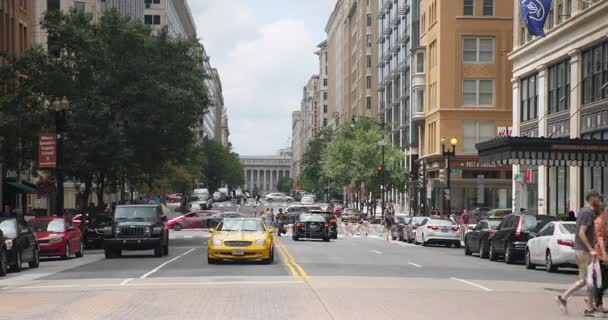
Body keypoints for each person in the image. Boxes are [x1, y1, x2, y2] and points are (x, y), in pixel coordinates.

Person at [556, 190, 602, 316]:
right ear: (592, 198)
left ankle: (590, 307)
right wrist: (591, 249)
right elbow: (582, 232)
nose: (599, 201)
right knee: (585, 280)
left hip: (583, 250)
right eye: (598, 198)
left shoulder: (586, 212)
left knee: (589, 279)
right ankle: (563, 298)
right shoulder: (587, 213)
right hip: (584, 250)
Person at [593, 204, 608, 313]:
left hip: (601, 254)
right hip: (599, 255)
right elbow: (600, 239)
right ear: (602, 211)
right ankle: (597, 303)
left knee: (601, 280)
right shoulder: (599, 222)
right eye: (607, 211)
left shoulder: (603, 222)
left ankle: (596, 302)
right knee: (602, 281)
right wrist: (604, 253)